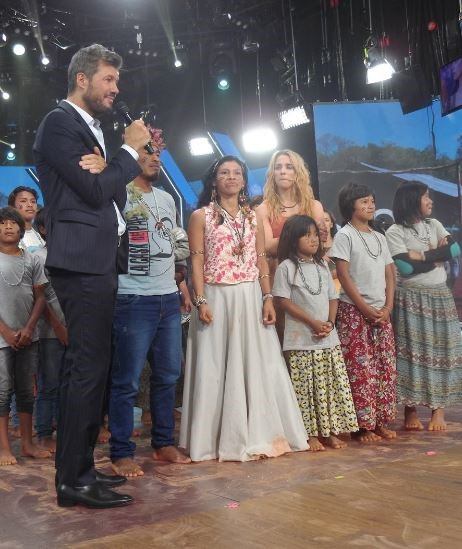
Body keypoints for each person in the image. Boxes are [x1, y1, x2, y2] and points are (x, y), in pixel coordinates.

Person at [33, 43, 151, 508]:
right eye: (108, 79)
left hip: (97, 257)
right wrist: (126, 152)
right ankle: (72, 481)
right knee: (85, 368)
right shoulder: (59, 122)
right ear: (82, 79)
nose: (115, 88)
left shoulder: (90, 130)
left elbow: (105, 189)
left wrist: (110, 163)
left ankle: (80, 470)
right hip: (80, 259)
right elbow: (97, 189)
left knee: (92, 368)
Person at [180, 156, 308, 461]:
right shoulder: (201, 216)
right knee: (214, 367)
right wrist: (200, 299)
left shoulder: (253, 217)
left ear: (243, 179)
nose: (231, 177)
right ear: (214, 180)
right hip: (215, 295)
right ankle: (211, 440)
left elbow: (261, 259)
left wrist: (267, 297)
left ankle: (260, 432)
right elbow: (195, 260)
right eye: (224, 173)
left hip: (250, 294)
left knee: (258, 364)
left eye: (237, 172)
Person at [109, 128, 191, 478]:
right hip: (132, 297)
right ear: (132, 155)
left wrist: (181, 276)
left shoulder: (168, 199)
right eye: (148, 151)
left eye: (158, 152)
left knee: (168, 375)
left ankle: (162, 444)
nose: (156, 158)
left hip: (168, 299)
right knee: (126, 380)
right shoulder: (119, 195)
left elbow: (176, 242)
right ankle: (121, 452)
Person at [273, 215, 358, 451]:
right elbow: (283, 301)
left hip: (327, 338)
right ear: (292, 238)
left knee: (328, 388)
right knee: (306, 390)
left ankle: (329, 432)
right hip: (301, 341)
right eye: (306, 235)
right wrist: (312, 322)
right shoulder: (286, 267)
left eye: (314, 235)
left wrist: (329, 322)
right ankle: (309, 435)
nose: (313, 239)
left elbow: (333, 297)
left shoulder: (322, 265)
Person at [385, 182, 462, 431]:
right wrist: (435, 255)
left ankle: (438, 410)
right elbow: (405, 268)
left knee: (443, 351)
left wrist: (420, 256)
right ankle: (410, 409)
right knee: (411, 352)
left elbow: (454, 249)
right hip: (411, 297)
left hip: (440, 294)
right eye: (426, 197)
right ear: (412, 200)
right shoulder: (395, 232)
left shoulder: (435, 225)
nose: (431, 201)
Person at [330, 183, 397, 444]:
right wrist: (364, 307)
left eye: (372, 201)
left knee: (383, 366)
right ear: (351, 205)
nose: (370, 206)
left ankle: (380, 421)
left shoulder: (379, 236)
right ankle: (362, 425)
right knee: (360, 368)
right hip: (353, 310)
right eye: (364, 202)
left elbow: (389, 273)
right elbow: (344, 276)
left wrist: (388, 306)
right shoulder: (345, 236)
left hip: (381, 311)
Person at [256, 149, 325, 341]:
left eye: (289, 167)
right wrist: (303, 237)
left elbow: (321, 244)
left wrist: (289, 239)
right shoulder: (263, 209)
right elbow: (268, 246)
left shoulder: (314, 206)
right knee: (283, 334)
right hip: (277, 275)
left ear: (298, 173)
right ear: (272, 174)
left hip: (311, 276)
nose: (283, 171)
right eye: (278, 167)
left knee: (312, 328)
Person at [0, 207, 50, 466]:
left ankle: (28, 444)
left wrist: (29, 328)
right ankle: (4, 448)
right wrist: (6, 331)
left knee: (26, 391)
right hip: (1, 339)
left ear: (22, 229)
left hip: (28, 336)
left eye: (13, 223)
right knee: (2, 392)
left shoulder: (31, 259)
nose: (8, 226)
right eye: (3, 223)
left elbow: (40, 297)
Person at [31, 208, 67, 453]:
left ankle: (64, 430)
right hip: (50, 334)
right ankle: (44, 433)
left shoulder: (70, 255)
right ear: (43, 229)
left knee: (68, 385)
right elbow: (40, 298)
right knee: (49, 385)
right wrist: (58, 327)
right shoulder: (40, 258)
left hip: (72, 330)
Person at [8, 186, 45, 251]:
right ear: (12, 208)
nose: (30, 205)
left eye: (33, 201)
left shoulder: (41, 234)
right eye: (23, 201)